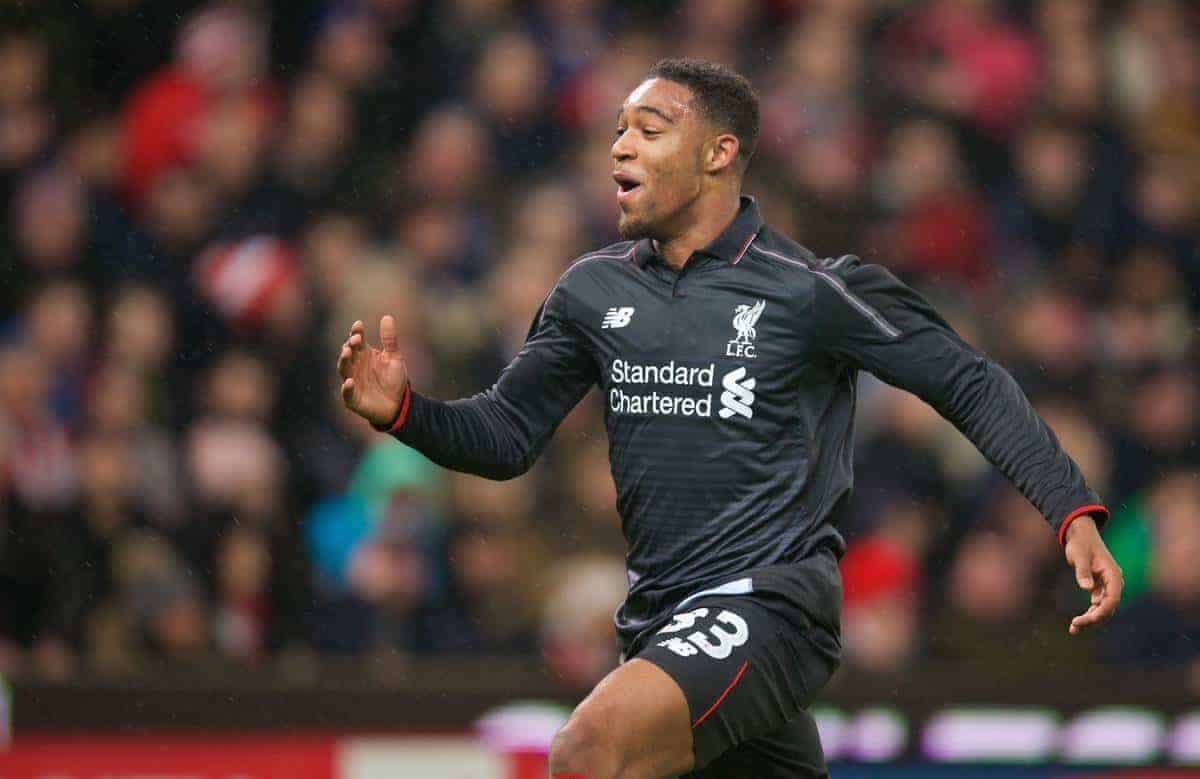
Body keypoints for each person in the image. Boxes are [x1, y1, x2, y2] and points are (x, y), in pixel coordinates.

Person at [336, 58, 1122, 779]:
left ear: (717, 153)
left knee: (586, 748)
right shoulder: (590, 292)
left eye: (649, 129)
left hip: (770, 608)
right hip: (659, 621)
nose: (619, 149)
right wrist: (406, 411)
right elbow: (506, 437)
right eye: (616, 131)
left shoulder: (809, 291)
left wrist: (1068, 507)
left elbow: (969, 382)